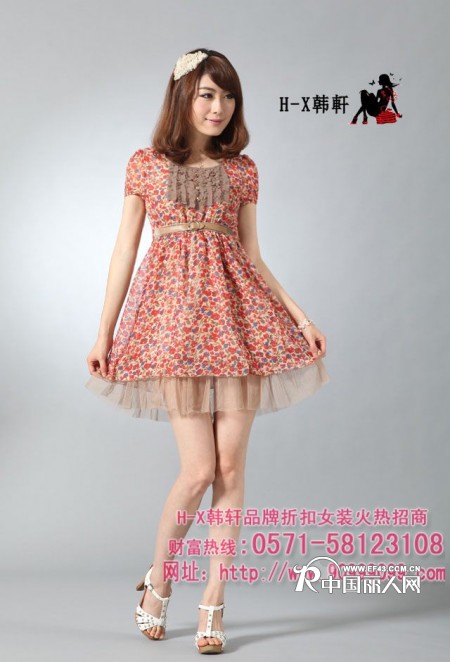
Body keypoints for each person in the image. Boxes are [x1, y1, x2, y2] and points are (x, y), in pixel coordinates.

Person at [85, 47, 330, 654]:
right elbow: (124, 250)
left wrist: (299, 317)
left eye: (228, 96)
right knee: (198, 470)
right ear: (183, 98)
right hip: (174, 329)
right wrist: (105, 331)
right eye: (207, 94)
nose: (219, 107)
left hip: (238, 325)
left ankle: (214, 600)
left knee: (231, 470)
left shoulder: (243, 170)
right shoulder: (145, 165)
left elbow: (251, 255)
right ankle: (160, 580)